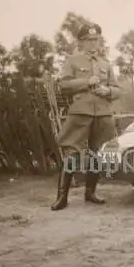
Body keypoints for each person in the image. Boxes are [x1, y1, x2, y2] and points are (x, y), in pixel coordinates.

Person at [51, 23, 123, 211]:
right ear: (81, 42)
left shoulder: (106, 64)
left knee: (99, 153)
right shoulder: (73, 61)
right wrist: (86, 82)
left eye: (96, 40)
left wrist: (107, 90)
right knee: (71, 153)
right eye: (89, 40)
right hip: (80, 112)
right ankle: (62, 197)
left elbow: (118, 90)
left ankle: (90, 192)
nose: (93, 44)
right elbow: (63, 86)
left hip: (103, 113)